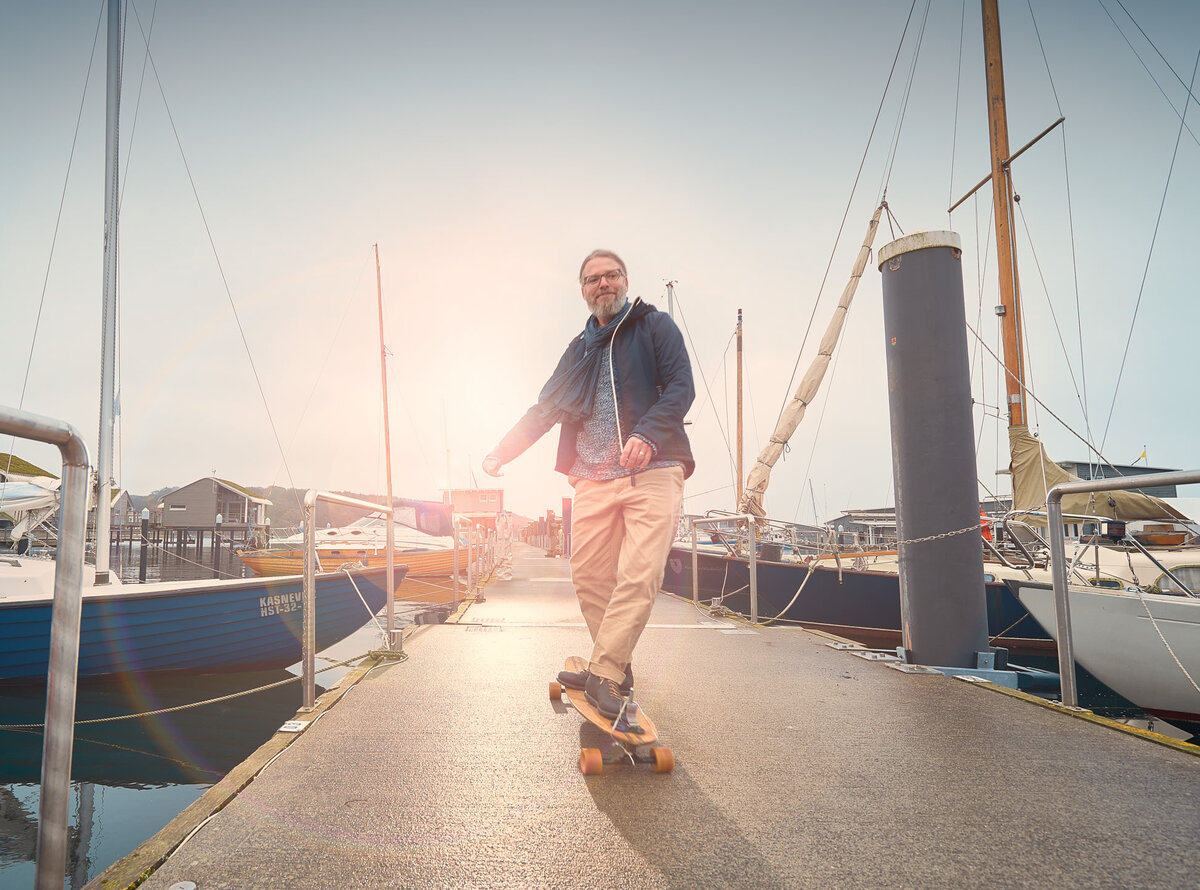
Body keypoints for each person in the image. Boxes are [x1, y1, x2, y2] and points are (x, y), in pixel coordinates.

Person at [482, 249, 695, 719]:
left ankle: (604, 673)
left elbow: (681, 387)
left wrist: (646, 434)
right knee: (590, 577)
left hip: (653, 470)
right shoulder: (578, 349)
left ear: (624, 280)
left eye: (611, 275)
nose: (603, 284)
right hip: (593, 477)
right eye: (593, 279)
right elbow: (545, 409)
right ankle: (614, 668)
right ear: (583, 290)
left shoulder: (654, 327)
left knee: (639, 574)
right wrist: (502, 450)